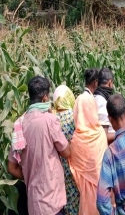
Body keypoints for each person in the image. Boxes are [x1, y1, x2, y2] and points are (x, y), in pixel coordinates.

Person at [7, 76, 71, 215]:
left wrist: (31, 175)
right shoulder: (50, 120)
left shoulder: (19, 124)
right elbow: (66, 153)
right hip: (53, 202)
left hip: (35, 204)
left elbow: (11, 167)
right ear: (45, 98)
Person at [69, 93, 108, 215]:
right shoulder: (100, 133)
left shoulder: (76, 139)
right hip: (103, 194)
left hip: (85, 198)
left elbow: (74, 170)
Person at [53, 85, 80, 215]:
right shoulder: (74, 116)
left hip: (58, 169)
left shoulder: (52, 119)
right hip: (75, 166)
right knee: (76, 201)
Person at [94, 67, 115, 143]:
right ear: (110, 83)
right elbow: (104, 136)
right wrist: (120, 133)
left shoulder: (94, 97)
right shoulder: (103, 103)